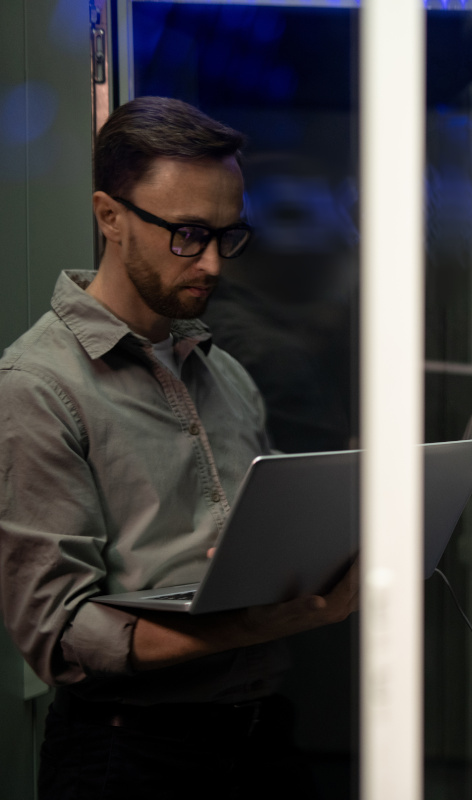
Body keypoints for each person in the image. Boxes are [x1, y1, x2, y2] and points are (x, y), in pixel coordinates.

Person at [0, 96, 358, 800]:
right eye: (188, 235)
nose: (215, 265)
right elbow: (61, 638)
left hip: (262, 734)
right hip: (129, 754)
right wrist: (256, 622)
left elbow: (254, 543)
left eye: (229, 236)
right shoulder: (36, 386)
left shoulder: (222, 371)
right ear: (110, 217)